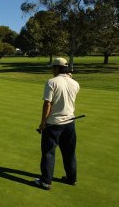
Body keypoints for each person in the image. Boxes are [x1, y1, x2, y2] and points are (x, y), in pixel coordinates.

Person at [34, 57, 80, 190]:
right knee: (69, 153)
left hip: (53, 124)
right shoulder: (75, 83)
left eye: (53, 68)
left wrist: (43, 123)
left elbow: (48, 103)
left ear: (56, 68)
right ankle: (72, 178)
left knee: (48, 153)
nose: (52, 70)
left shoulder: (51, 82)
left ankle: (46, 182)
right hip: (70, 123)